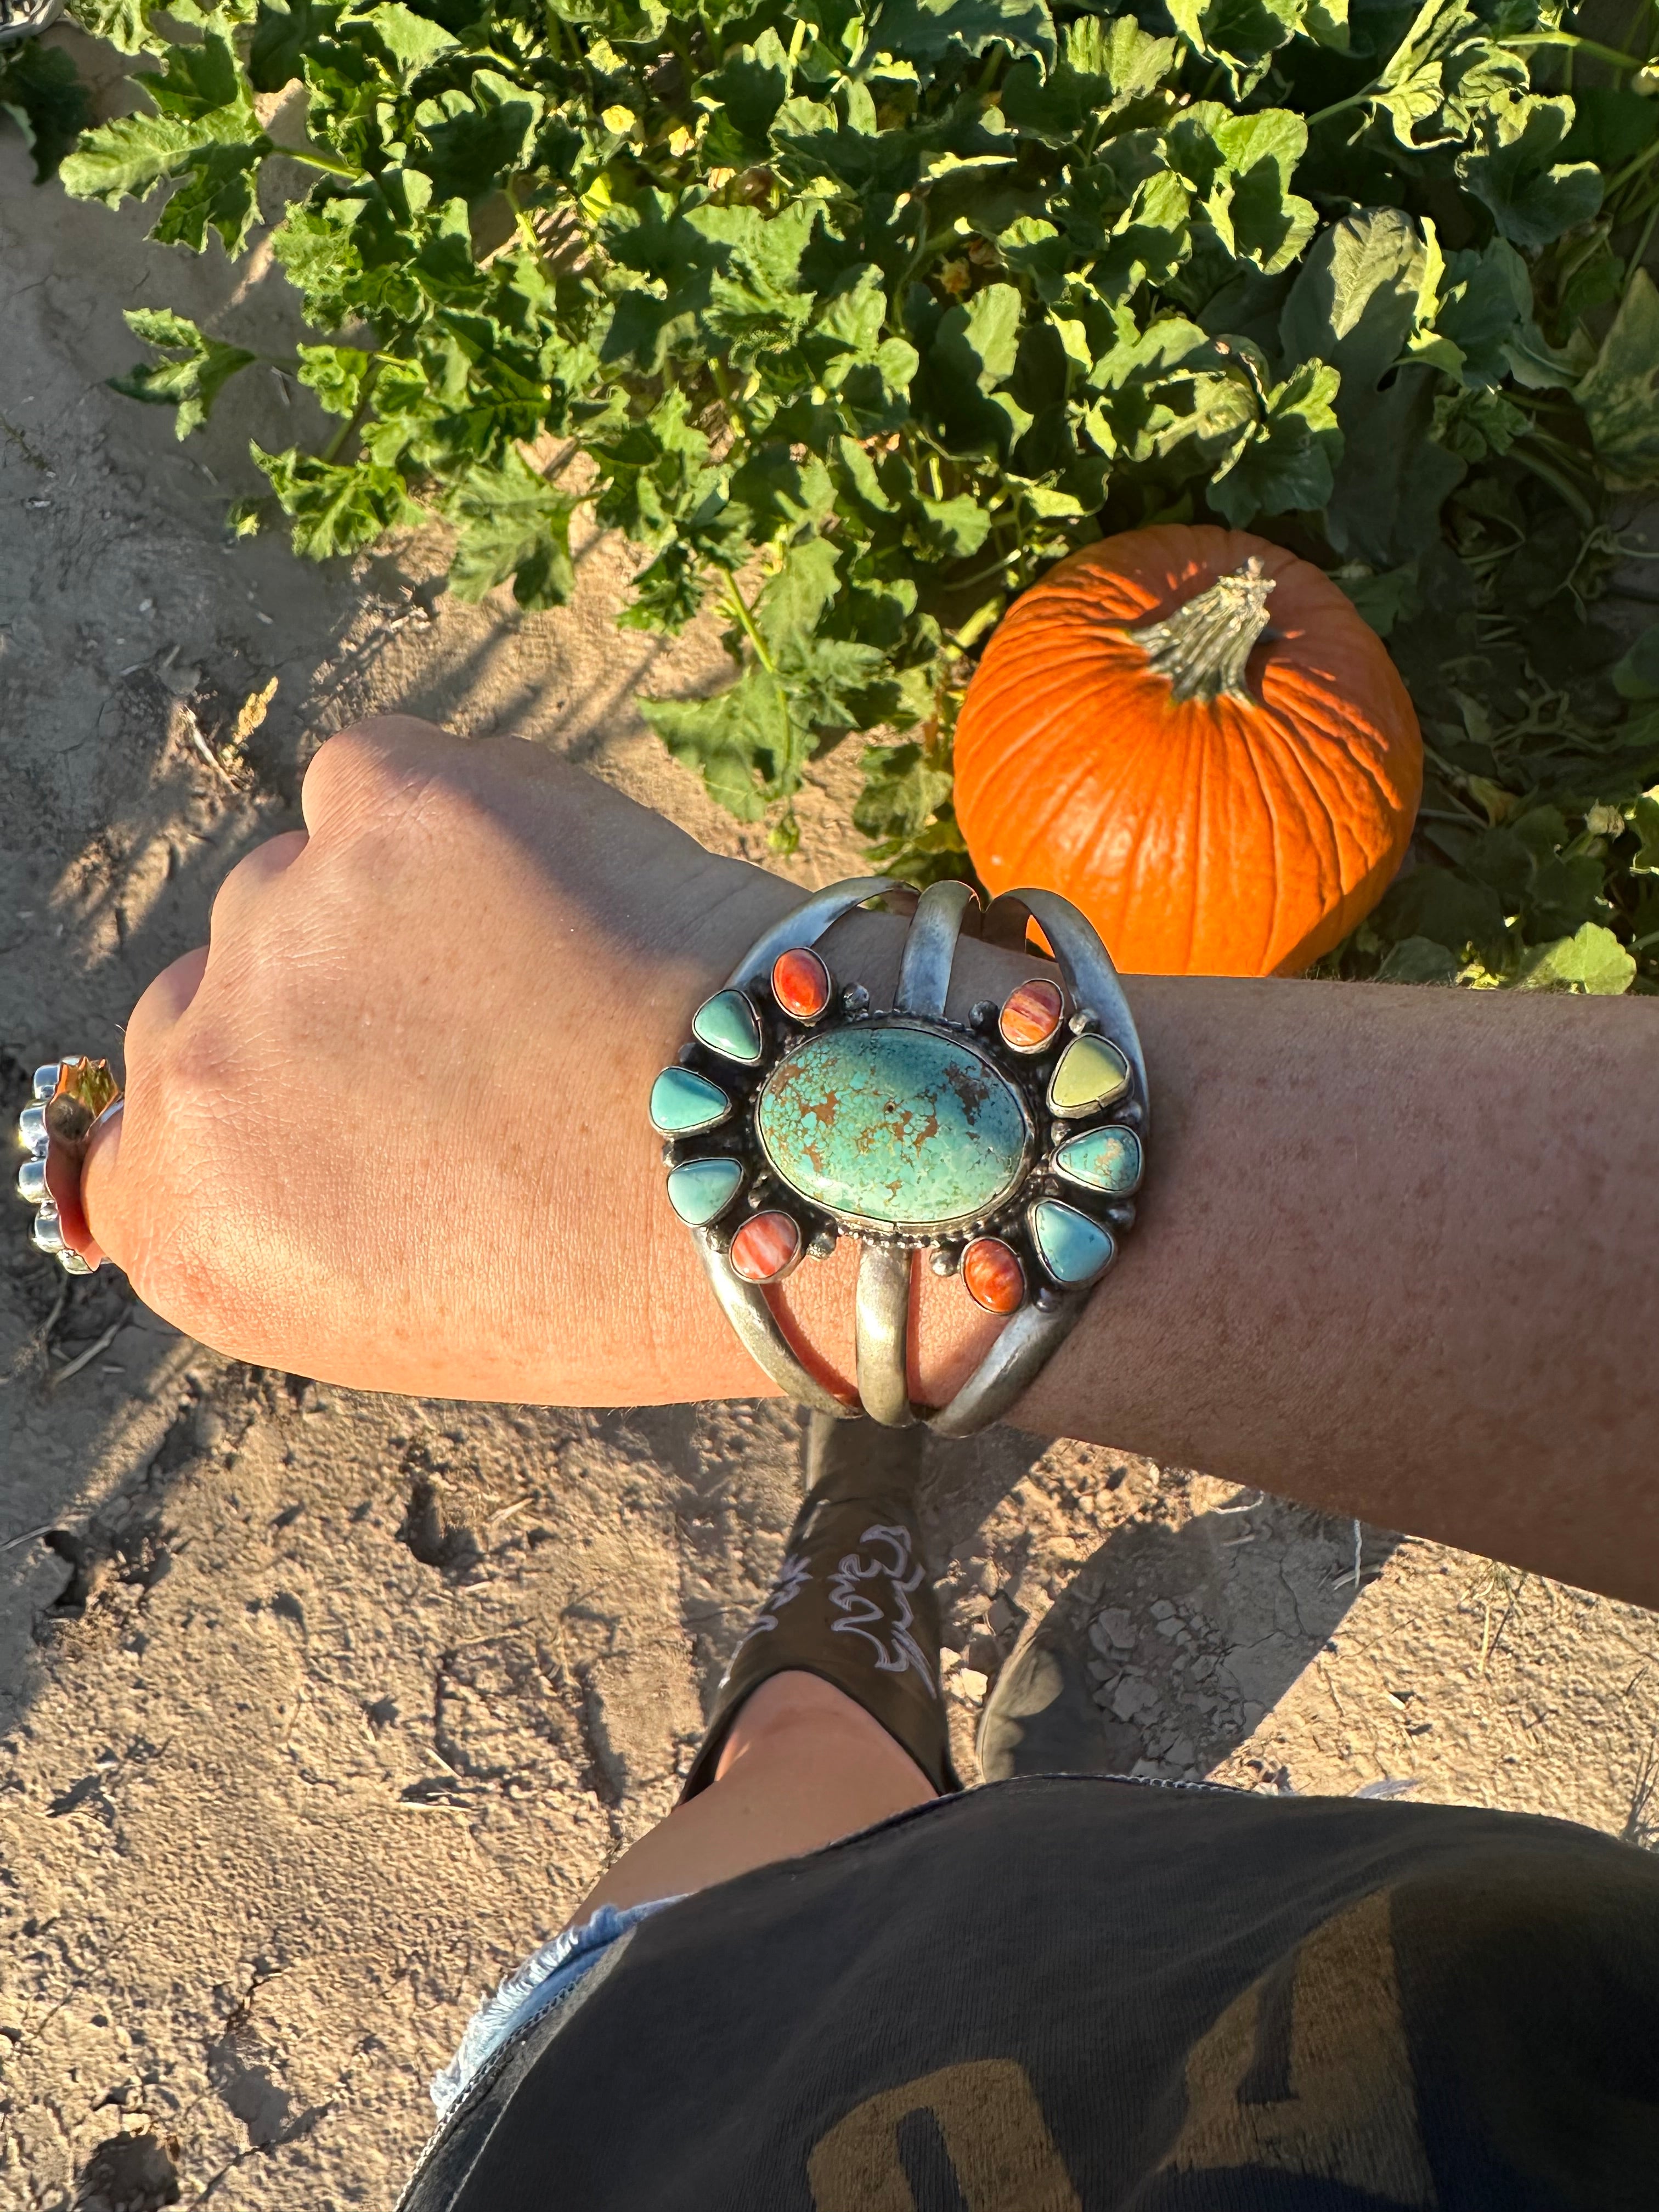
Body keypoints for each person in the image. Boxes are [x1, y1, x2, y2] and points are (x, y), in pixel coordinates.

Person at [61, 719, 1659, 2205]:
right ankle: (992, 1728)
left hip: (672, 2117)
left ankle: (866, 1563)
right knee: (1052, 1891)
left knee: (805, 1794)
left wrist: (721, 1158)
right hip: (1493, 2041)